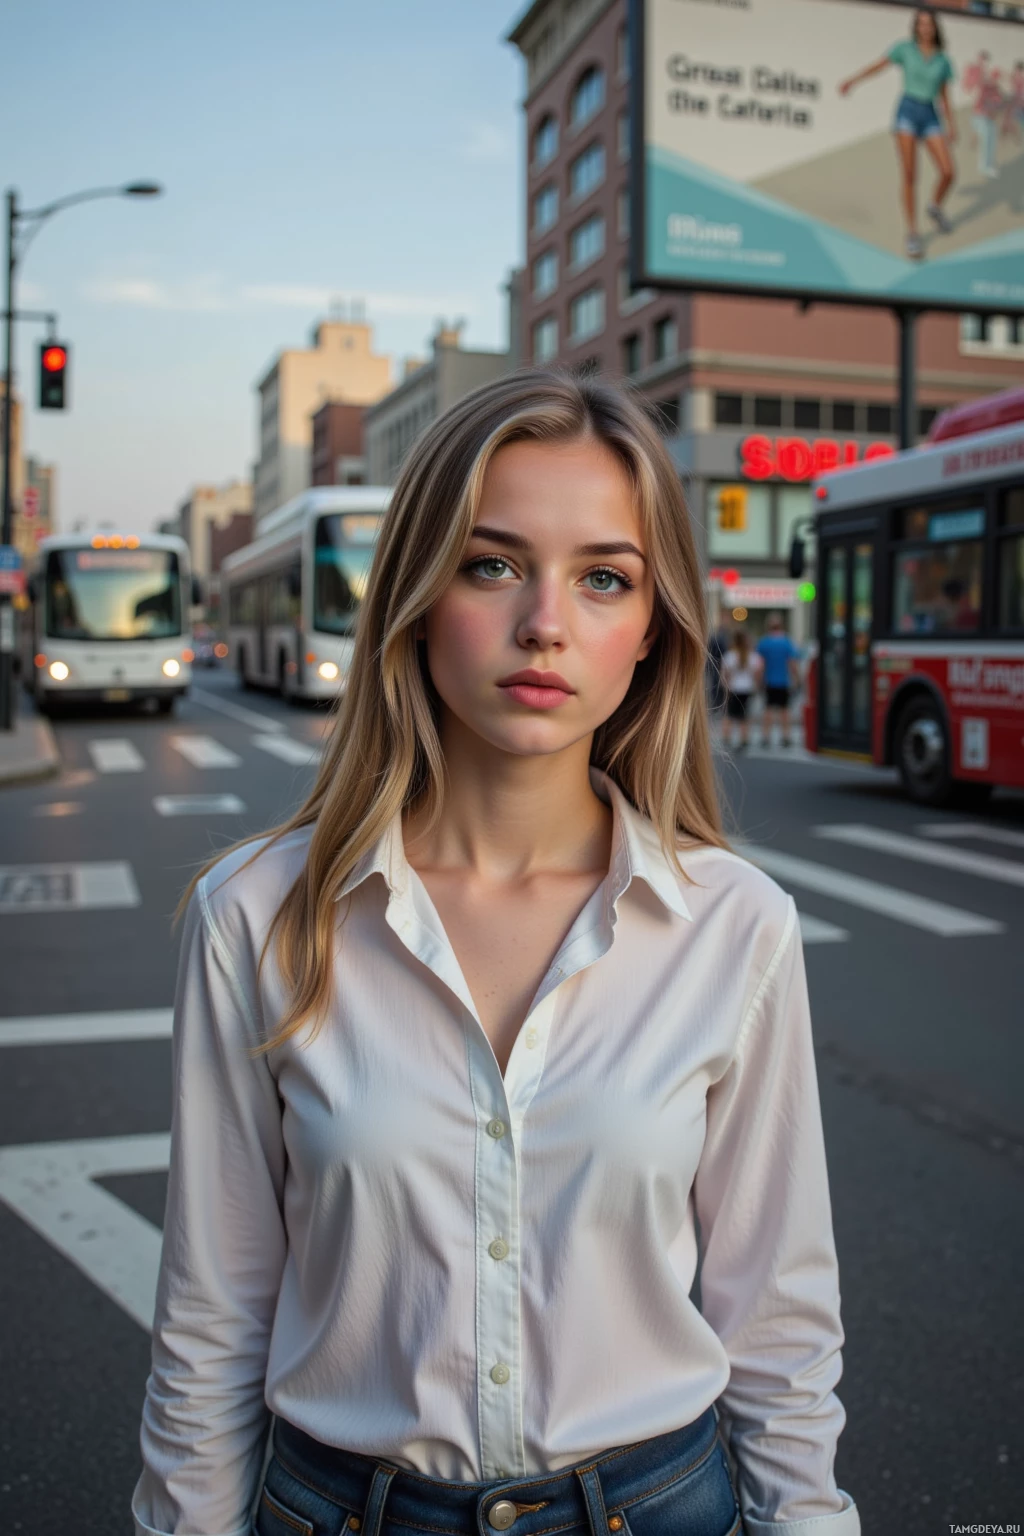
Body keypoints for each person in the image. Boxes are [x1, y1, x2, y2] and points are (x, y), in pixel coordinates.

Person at [131, 371, 859, 1536]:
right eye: (491, 564)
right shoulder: (258, 913)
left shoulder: (734, 923)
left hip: (656, 1506)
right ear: (417, 597)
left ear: (651, 631)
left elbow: (777, 1321)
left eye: (604, 577)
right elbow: (212, 1313)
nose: (544, 624)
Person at [839, 7, 957, 261]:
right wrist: (853, 80)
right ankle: (912, 233)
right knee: (910, 174)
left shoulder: (942, 60)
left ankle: (935, 206)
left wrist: (951, 124)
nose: (925, 28)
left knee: (948, 171)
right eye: (921, 24)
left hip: (930, 114)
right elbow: (879, 66)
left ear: (935, 28)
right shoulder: (905, 49)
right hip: (908, 112)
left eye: (929, 24)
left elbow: (944, 94)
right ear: (916, 27)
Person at [757, 614, 803, 748]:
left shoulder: (764, 642)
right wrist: (797, 678)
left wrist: (759, 681)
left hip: (769, 681)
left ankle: (766, 736)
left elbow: (760, 665)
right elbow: (792, 663)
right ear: (781, 626)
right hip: (783, 681)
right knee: (785, 710)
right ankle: (786, 736)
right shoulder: (787, 642)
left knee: (768, 709)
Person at [720, 627, 763, 752]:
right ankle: (744, 739)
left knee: (729, 714)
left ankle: (726, 737)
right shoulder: (752, 656)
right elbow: (758, 673)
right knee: (744, 715)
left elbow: (725, 674)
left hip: (733, 688)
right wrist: (756, 685)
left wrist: (725, 686)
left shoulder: (730, 655)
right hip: (747, 689)